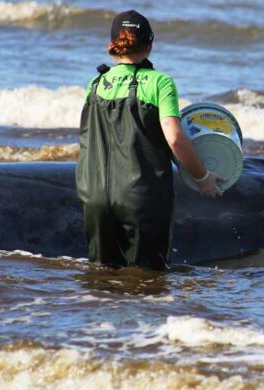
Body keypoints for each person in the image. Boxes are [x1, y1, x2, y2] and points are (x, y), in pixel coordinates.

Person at [76, 10, 223, 271]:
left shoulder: (96, 83)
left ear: (113, 44)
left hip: (94, 196)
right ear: (150, 45)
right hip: (141, 199)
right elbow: (176, 139)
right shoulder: (160, 83)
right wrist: (203, 178)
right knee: (147, 281)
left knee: (100, 279)